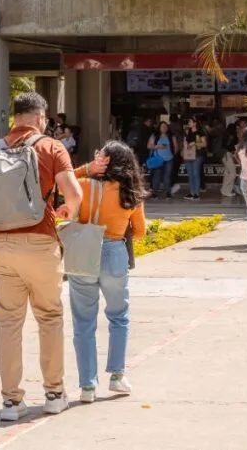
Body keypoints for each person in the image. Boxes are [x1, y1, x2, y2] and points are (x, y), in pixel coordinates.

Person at [0, 91, 82, 422]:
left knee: (8, 323)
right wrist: (67, 211)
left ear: (15, 117)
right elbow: (73, 193)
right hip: (41, 241)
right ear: (39, 117)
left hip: (1, 244)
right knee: (49, 317)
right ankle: (54, 393)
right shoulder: (50, 147)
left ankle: (10, 401)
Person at [69, 141, 147, 403]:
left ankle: (87, 386)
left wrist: (85, 170)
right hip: (114, 252)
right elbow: (140, 231)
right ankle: (117, 376)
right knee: (118, 317)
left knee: (83, 322)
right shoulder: (130, 192)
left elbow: (61, 183)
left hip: (84, 252)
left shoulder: (84, 186)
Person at [147, 121, 175, 199]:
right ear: (159, 128)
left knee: (167, 177)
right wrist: (157, 147)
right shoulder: (155, 136)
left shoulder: (171, 136)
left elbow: (175, 147)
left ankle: (168, 193)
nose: (164, 128)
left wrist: (172, 155)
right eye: (162, 126)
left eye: (165, 126)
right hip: (158, 159)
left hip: (169, 159)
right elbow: (149, 146)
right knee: (157, 176)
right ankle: (154, 193)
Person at [182, 117, 206, 201]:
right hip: (188, 154)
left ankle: (196, 193)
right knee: (190, 174)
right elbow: (184, 142)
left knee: (195, 173)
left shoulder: (200, 132)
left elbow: (204, 144)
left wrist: (194, 143)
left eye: (190, 121)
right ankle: (191, 192)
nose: (189, 123)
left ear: (195, 123)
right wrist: (185, 148)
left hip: (198, 155)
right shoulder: (187, 132)